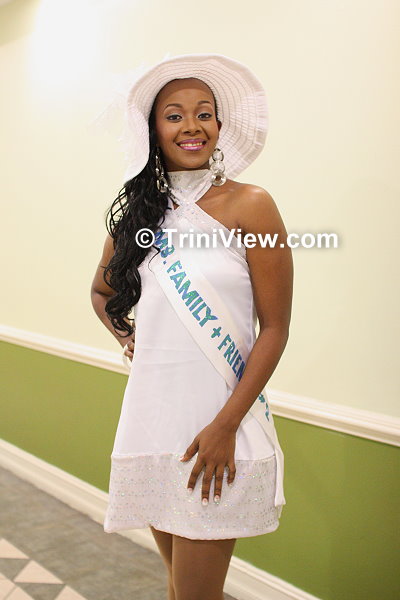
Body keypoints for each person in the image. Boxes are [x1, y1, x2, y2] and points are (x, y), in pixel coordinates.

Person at [90, 53, 293, 600]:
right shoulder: (140, 216)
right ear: (153, 130)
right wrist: (130, 338)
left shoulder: (252, 205)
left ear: (219, 126)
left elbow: (275, 328)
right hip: (156, 424)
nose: (192, 125)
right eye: (174, 115)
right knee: (180, 589)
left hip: (219, 428)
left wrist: (225, 426)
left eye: (204, 113)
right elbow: (102, 293)